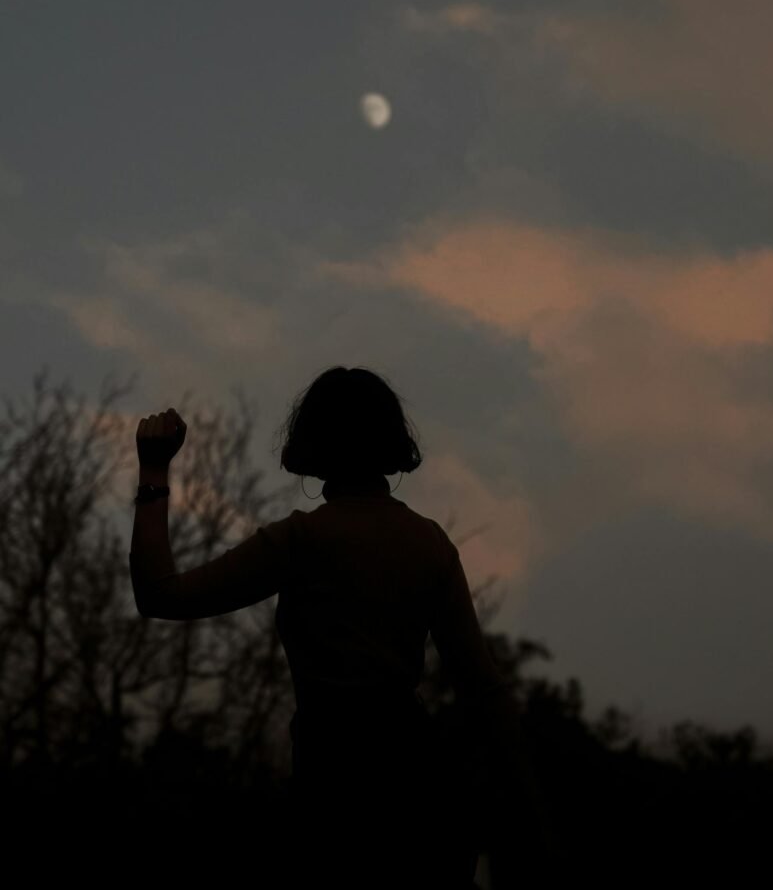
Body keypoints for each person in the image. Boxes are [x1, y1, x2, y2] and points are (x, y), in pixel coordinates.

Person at [130, 366, 549, 888]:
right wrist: (533, 820)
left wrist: (153, 474)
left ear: (312, 443)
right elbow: (483, 688)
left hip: (333, 795)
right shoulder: (429, 543)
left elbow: (160, 595)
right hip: (421, 795)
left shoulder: (301, 541)